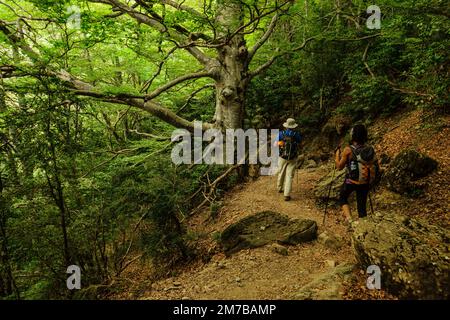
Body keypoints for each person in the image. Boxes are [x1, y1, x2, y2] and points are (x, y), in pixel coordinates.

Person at [335, 124, 378, 226]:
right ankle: (363, 227)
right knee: (361, 206)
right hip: (365, 182)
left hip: (351, 181)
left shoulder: (348, 150)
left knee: (342, 197)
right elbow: (375, 164)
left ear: (353, 135)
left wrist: (337, 155)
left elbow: (339, 167)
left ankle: (350, 220)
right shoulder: (369, 149)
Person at [276, 118, 302, 201]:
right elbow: (300, 142)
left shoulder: (281, 133)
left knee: (281, 172)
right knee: (289, 175)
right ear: (294, 126)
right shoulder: (296, 134)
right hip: (292, 157)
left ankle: (279, 188)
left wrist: (282, 144)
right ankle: (286, 195)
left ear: (286, 125)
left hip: (282, 156)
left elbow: (276, 144)